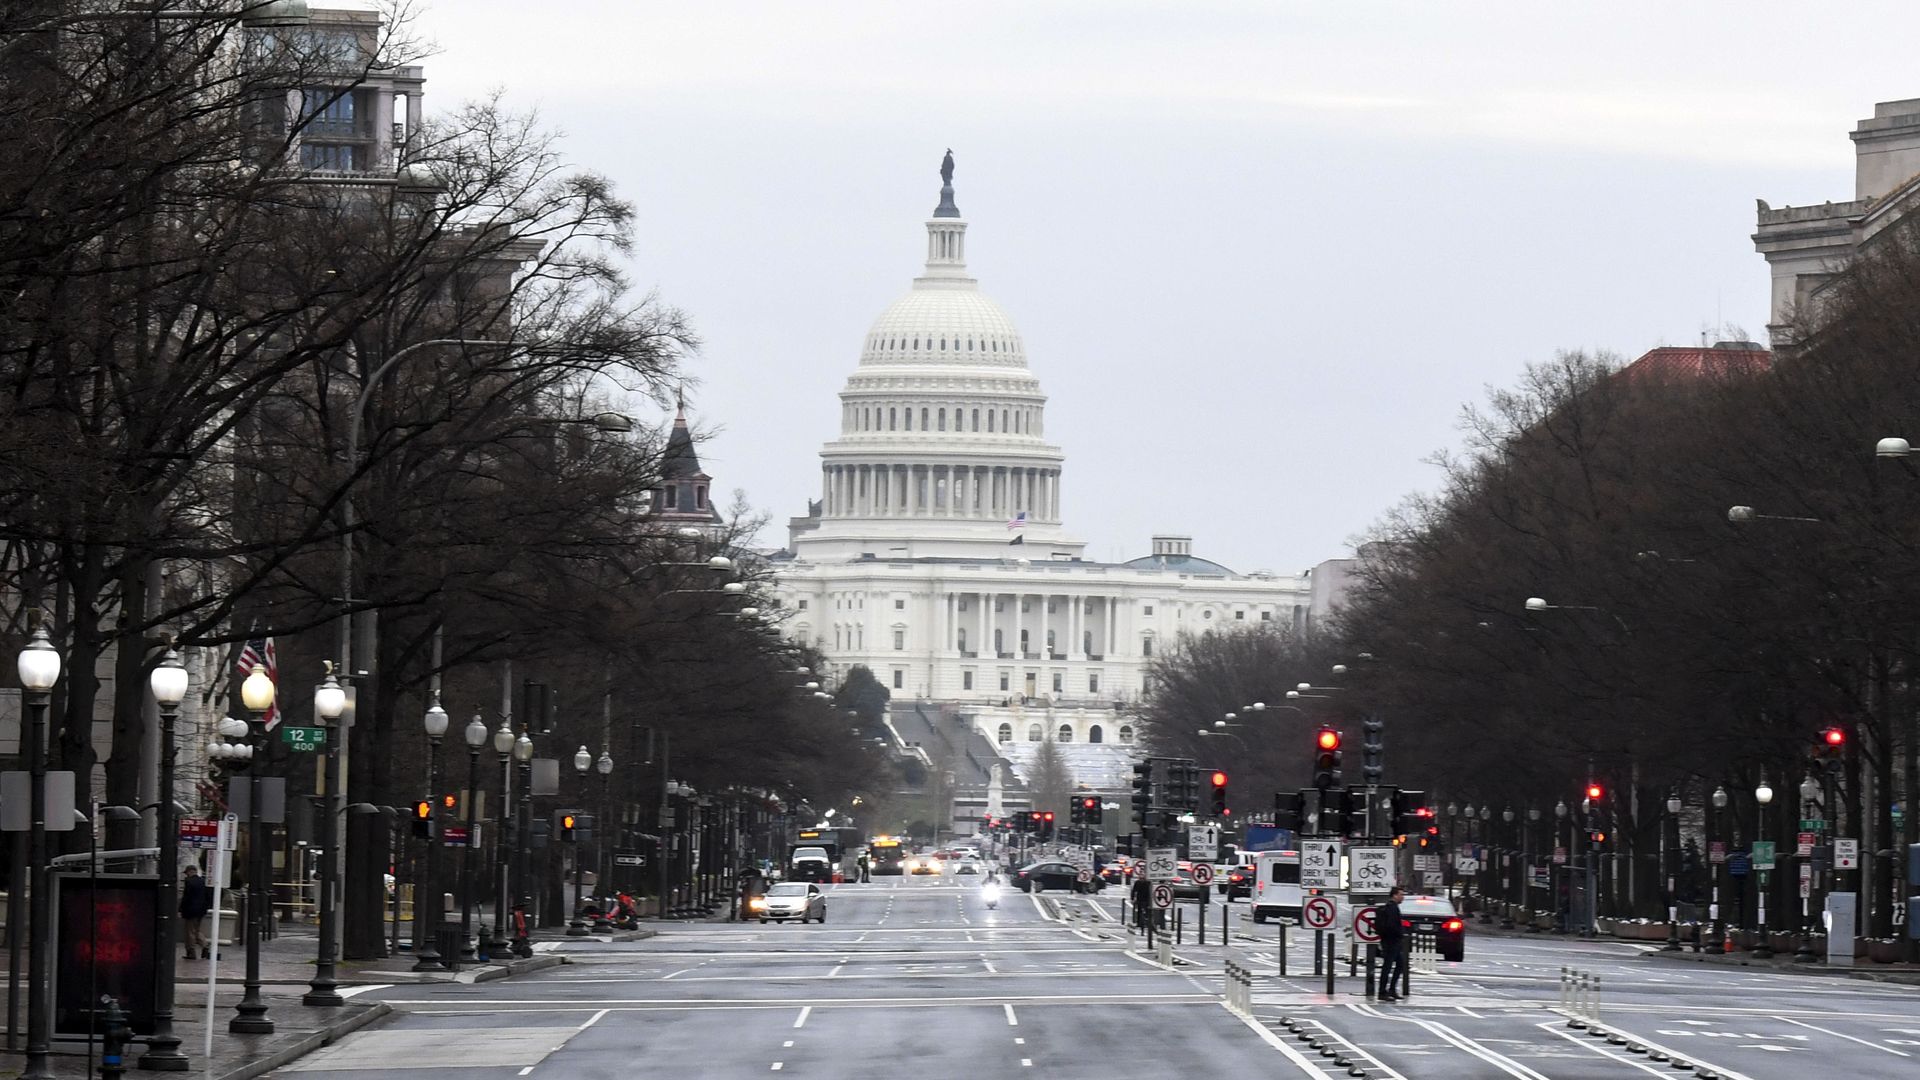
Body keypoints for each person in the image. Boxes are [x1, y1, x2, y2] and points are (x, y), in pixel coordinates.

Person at [1376, 886, 1407, 1001]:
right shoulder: (1392, 908)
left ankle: (1392, 989)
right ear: (1394, 895)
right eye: (1401, 894)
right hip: (1391, 942)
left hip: (1391, 941)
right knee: (1388, 967)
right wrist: (1399, 934)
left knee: (1399, 964)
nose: (1402, 897)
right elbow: (1391, 926)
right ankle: (1382, 991)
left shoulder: (1392, 907)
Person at [180, 863, 212, 960]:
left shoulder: (189, 881)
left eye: (187, 873)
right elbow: (207, 896)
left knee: (189, 931)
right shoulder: (203, 881)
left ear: (190, 872)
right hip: (201, 911)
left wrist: (181, 909)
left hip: (190, 910)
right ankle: (205, 947)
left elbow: (186, 897)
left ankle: (191, 952)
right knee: (196, 930)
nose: (186, 875)